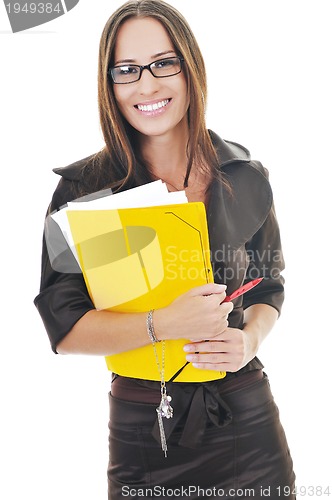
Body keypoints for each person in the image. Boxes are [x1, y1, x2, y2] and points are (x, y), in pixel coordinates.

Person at [34, 0, 296, 498]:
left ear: (190, 68)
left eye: (163, 63)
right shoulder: (81, 191)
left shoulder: (243, 174)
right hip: (143, 427)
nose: (147, 85)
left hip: (247, 421)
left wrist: (250, 340)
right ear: (108, 84)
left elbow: (270, 285)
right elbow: (63, 326)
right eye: (126, 70)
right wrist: (163, 325)